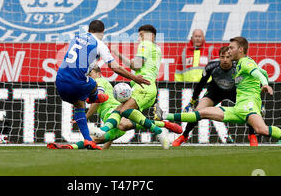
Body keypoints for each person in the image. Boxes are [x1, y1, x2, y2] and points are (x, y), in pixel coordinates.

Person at [156, 36, 281, 149]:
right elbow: (262, 72)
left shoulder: (245, 62)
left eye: (231, 48)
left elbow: (258, 74)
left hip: (247, 107)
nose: (228, 50)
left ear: (240, 49)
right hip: (237, 107)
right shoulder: (236, 64)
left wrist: (265, 85)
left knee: (262, 130)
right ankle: (166, 117)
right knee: (202, 112)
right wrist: (261, 84)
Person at [55, 20, 151, 150]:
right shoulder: (100, 45)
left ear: (89, 30)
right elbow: (114, 67)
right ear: (103, 32)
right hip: (77, 82)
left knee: (79, 105)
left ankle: (88, 140)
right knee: (95, 82)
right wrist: (134, 77)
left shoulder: (77, 37)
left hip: (59, 81)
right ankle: (95, 97)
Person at [48, 66, 182, 150]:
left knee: (122, 123)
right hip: (113, 122)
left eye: (90, 74)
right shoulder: (96, 83)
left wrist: (85, 116)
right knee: (95, 141)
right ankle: (70, 147)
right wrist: (105, 148)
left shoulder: (99, 81)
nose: (88, 77)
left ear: (97, 73)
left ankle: (162, 127)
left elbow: (97, 101)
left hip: (113, 112)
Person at [90, 25, 170, 149]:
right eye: (139, 35)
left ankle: (103, 130)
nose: (139, 38)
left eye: (142, 35)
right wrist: (118, 54)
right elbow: (135, 65)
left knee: (120, 111)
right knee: (124, 119)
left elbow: (136, 66)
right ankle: (159, 130)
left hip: (142, 86)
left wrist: (117, 55)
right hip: (149, 87)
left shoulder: (145, 45)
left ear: (152, 36)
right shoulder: (156, 48)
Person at [167, 46, 260, 147]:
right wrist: (193, 100)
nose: (225, 60)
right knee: (198, 110)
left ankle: (251, 135)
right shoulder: (211, 67)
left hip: (234, 92)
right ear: (219, 57)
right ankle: (184, 136)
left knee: (248, 109)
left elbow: (250, 83)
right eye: (222, 57)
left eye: (228, 57)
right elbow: (201, 84)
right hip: (215, 92)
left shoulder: (239, 67)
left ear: (231, 57)